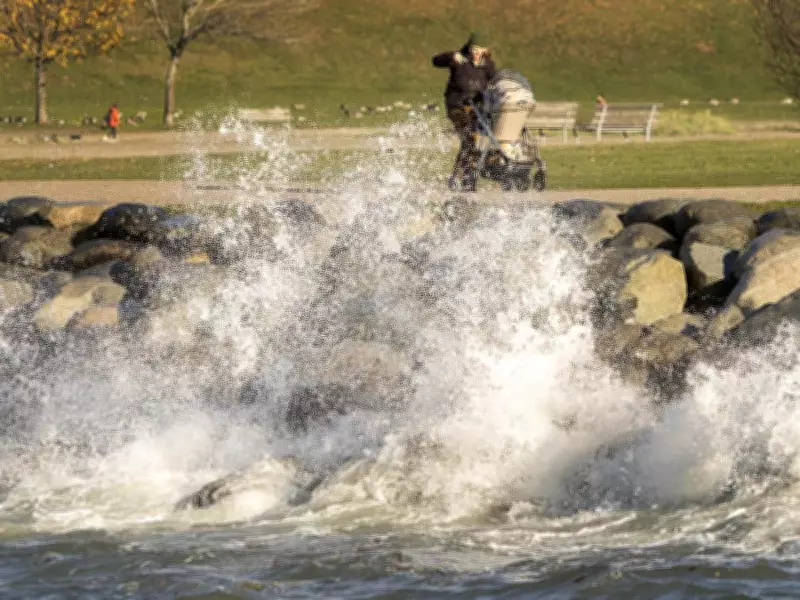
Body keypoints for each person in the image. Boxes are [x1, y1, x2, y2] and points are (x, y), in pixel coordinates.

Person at [432, 32, 497, 191]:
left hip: (477, 109)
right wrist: (451, 56)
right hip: (457, 107)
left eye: (479, 49)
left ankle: (467, 178)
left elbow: (496, 80)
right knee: (470, 138)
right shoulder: (460, 60)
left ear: (485, 49)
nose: (475, 52)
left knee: (478, 142)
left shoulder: (488, 65)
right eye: (473, 49)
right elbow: (435, 61)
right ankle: (459, 178)